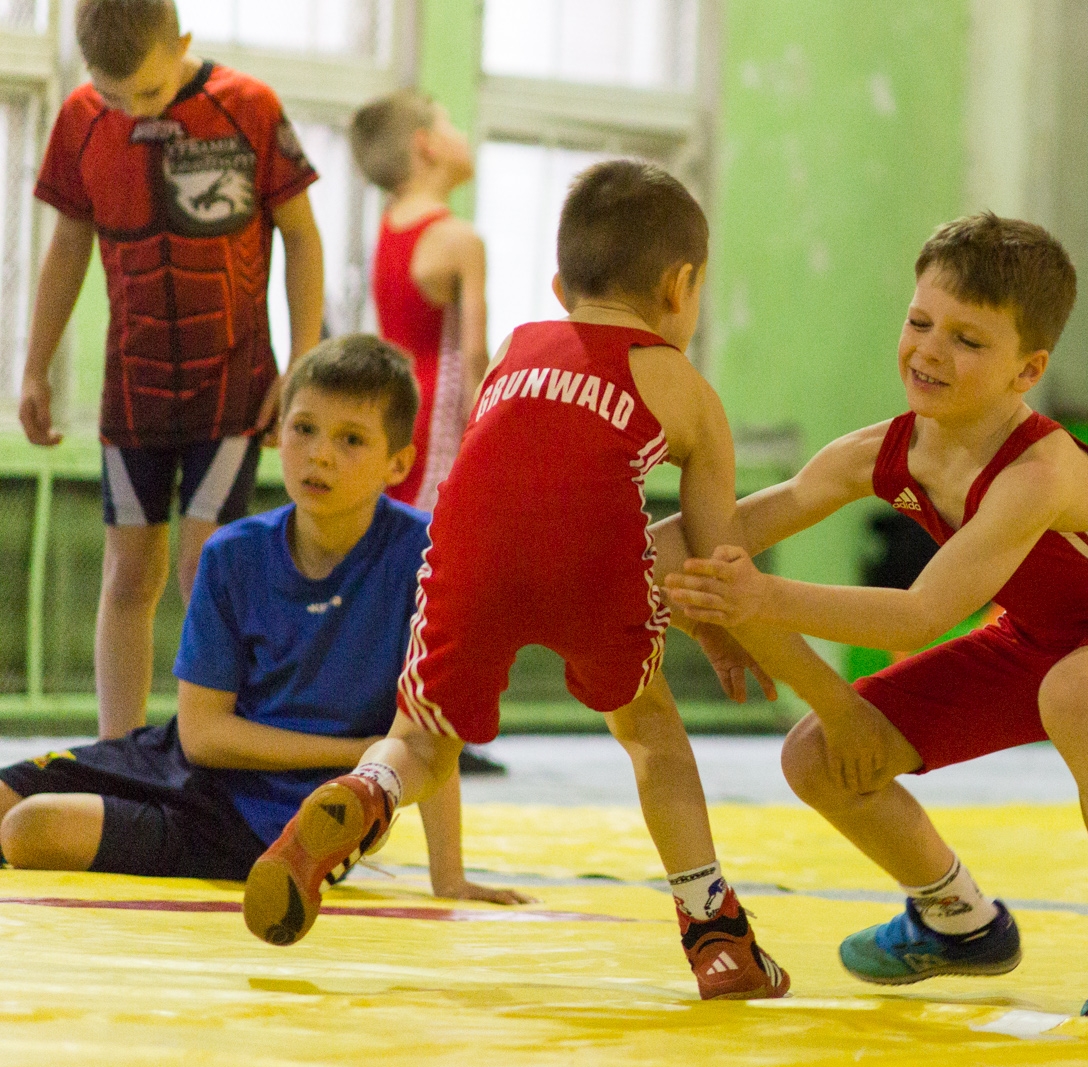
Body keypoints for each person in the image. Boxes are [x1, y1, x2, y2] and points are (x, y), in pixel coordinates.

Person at [242, 160, 854, 1001]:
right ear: (681, 288)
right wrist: (719, 630)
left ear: (562, 286)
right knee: (650, 733)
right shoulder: (686, 389)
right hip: (590, 561)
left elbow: (508, 469)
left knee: (422, 737)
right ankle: (716, 934)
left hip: (469, 546)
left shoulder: (515, 349)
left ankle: (369, 787)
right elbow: (720, 562)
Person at [664, 213, 1088, 1023]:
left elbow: (919, 615)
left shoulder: (1041, 471)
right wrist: (605, 553)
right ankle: (957, 919)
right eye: (920, 322)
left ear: (1028, 370)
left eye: (967, 339)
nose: (929, 351)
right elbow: (728, 527)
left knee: (1076, 691)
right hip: (1033, 643)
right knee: (819, 757)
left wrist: (762, 598)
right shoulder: (880, 451)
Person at [0, 335, 520, 910]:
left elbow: (432, 732)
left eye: (350, 439)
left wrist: (449, 878)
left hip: (268, 820)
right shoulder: (234, 552)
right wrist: (360, 751)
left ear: (398, 463)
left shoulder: (427, 557)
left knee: (30, 829)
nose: (320, 455)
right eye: (304, 429)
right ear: (279, 435)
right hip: (179, 759)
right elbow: (202, 736)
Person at [16, 0, 326, 741]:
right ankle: (118, 749)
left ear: (182, 43)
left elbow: (303, 238)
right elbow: (67, 247)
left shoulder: (249, 107)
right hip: (135, 389)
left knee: (205, 570)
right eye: (114, 95)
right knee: (128, 575)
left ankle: (221, 743)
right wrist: (33, 367)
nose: (134, 110)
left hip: (232, 383)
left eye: (149, 92)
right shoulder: (81, 118)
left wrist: (304, 362)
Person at [351, 90, 489, 513]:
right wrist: (485, 442)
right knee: (429, 534)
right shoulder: (459, 240)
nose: (463, 136)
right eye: (451, 125)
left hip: (390, 406)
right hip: (438, 416)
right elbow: (474, 357)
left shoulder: (389, 222)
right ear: (426, 144)